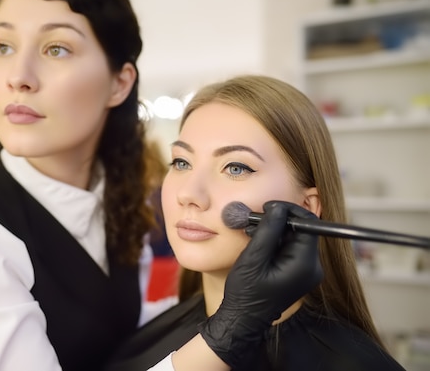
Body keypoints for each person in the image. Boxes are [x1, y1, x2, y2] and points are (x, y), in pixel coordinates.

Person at [0, 0, 322, 371]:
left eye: (56, 48)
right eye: (3, 46)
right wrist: (232, 329)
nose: (18, 76)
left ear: (119, 83)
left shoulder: (119, 208)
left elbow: (132, 341)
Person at [104, 75, 406, 371]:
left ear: (305, 208)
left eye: (235, 167)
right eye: (182, 162)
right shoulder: (142, 339)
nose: (188, 194)